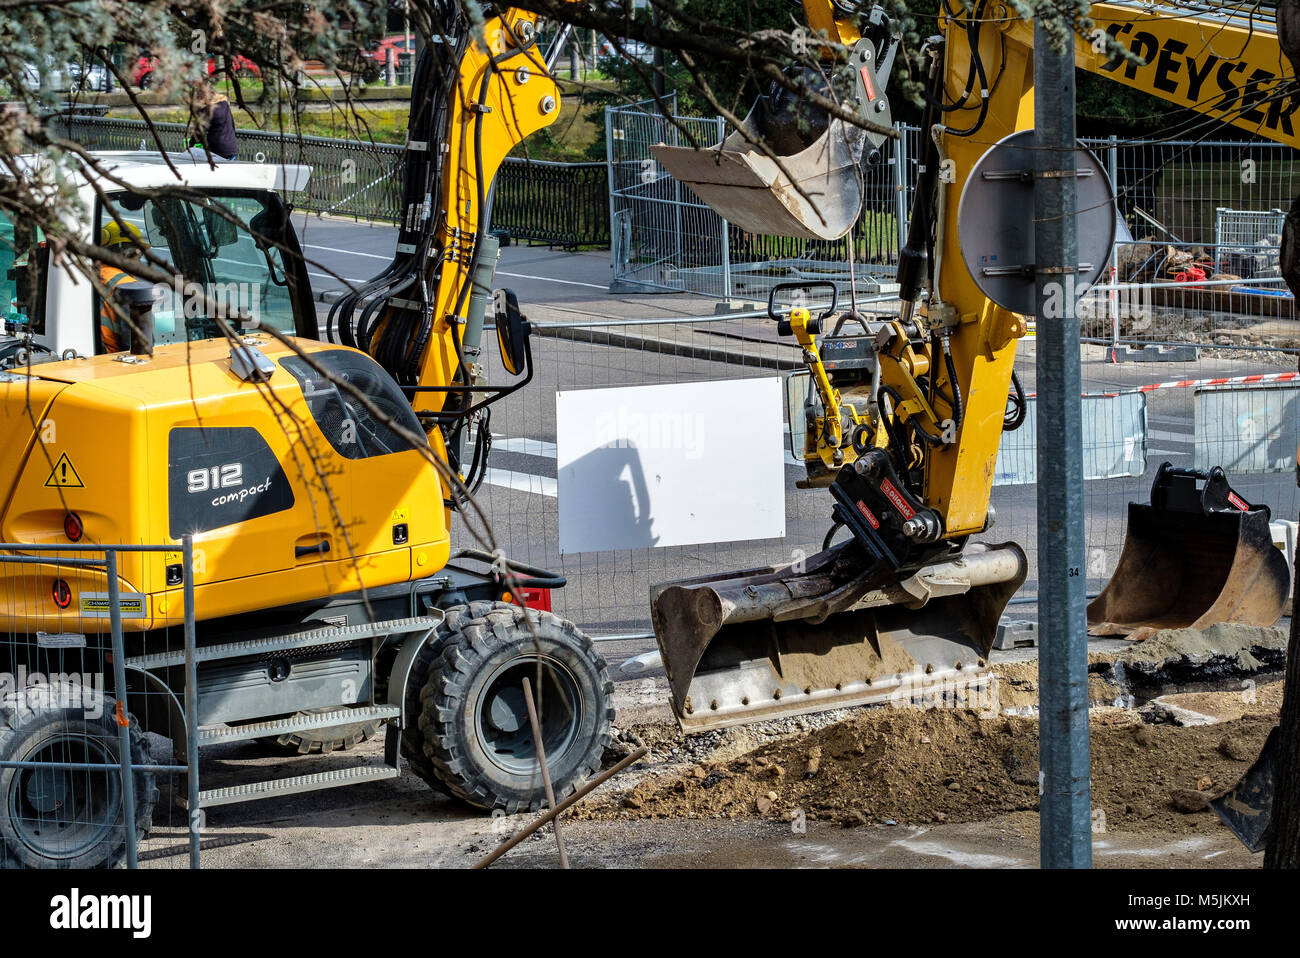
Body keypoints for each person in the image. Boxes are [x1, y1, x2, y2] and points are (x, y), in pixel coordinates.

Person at [98, 221, 153, 353]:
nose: (139, 264)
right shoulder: (129, 287)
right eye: (138, 257)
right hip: (116, 366)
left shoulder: (95, 274)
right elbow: (139, 349)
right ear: (126, 254)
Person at [186, 79, 238, 161]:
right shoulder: (225, 105)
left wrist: (190, 146)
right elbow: (232, 125)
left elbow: (199, 132)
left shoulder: (207, 110)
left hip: (218, 151)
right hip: (231, 148)